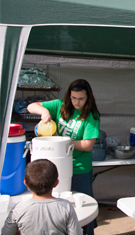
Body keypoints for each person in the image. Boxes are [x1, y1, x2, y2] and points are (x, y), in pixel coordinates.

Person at [27, 79, 100, 235]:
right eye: (73, 98)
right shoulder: (60, 104)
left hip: (79, 168)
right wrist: (44, 112)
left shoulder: (91, 116)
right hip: (56, 167)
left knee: (82, 210)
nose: (76, 102)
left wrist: (61, 141)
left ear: (88, 97)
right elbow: (31, 106)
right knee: (57, 209)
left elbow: (87, 145)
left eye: (81, 98)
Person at [1, 159, 82, 235]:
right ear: (56, 183)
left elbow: (6, 233)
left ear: (25, 183)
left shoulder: (18, 209)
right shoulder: (66, 206)